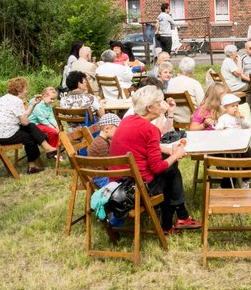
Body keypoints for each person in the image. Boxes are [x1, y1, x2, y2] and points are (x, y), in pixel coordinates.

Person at [109, 86, 200, 234]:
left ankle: (179, 218)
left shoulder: (127, 120)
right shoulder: (148, 129)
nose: (161, 105)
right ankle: (170, 224)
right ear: (149, 107)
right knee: (171, 173)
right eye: (159, 103)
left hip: (119, 182)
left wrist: (167, 151)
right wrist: (175, 155)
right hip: (136, 187)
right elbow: (157, 167)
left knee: (170, 169)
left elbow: (145, 142)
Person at [0, 77, 56, 174]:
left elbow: (23, 117)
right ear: (19, 90)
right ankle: (37, 159)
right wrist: (37, 133)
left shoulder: (5, 98)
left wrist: (33, 105)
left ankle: (46, 149)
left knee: (31, 127)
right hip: (4, 135)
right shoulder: (16, 101)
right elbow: (24, 122)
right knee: (30, 136)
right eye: (25, 89)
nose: (27, 91)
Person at [86, 112, 121, 188]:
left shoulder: (101, 140)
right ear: (107, 129)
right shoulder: (101, 144)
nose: (118, 132)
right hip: (100, 177)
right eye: (117, 130)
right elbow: (108, 165)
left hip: (99, 174)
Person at [165, 57, 205, 124]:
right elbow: (202, 103)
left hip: (174, 117)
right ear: (192, 70)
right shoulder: (195, 83)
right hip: (192, 118)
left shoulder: (170, 82)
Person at [28, 86, 60, 157]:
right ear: (45, 96)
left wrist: (56, 126)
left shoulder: (48, 105)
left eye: (53, 99)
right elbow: (42, 119)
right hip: (34, 124)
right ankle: (52, 150)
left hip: (42, 123)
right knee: (53, 131)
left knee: (57, 130)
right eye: (51, 99)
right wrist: (53, 128)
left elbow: (50, 117)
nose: (52, 101)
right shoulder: (38, 105)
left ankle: (55, 148)